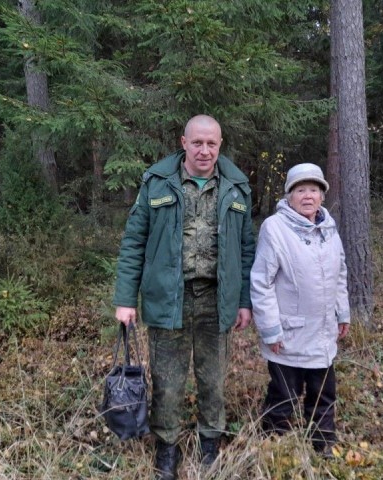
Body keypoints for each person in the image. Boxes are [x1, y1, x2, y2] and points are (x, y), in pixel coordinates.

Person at [113, 115, 255, 480]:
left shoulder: (237, 186)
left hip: (216, 300)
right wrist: (125, 299)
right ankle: (167, 451)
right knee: (168, 382)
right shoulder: (157, 182)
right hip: (168, 299)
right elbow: (134, 242)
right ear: (183, 142)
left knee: (213, 381)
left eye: (211, 143)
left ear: (220, 144)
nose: (204, 150)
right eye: (197, 143)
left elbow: (245, 249)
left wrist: (243, 300)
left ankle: (210, 445)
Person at [250, 162, 350, 457]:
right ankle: (274, 442)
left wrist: (342, 313)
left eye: (314, 189)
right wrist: (270, 329)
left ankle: (322, 444)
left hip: (322, 332)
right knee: (284, 393)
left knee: (323, 393)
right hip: (288, 333)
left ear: (322, 195)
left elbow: (340, 273)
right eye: (301, 190)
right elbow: (261, 282)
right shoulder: (275, 228)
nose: (308, 196)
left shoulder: (329, 228)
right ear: (290, 196)